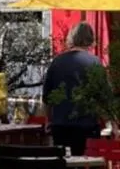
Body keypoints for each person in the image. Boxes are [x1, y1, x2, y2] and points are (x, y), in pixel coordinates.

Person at [41, 21, 104, 156]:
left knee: (62, 163)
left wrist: (49, 120)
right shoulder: (95, 62)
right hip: (87, 126)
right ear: (90, 39)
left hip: (61, 126)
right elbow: (105, 96)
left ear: (71, 38)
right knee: (87, 166)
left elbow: (47, 98)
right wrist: (111, 124)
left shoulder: (57, 62)